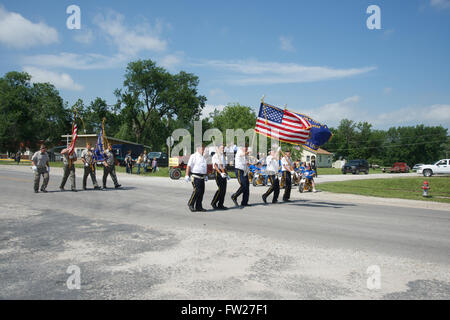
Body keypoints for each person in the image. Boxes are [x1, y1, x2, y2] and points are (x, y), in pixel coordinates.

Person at [185, 144, 207, 212]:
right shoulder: (193, 156)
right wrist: (186, 175)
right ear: (198, 149)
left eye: (204, 148)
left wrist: (206, 175)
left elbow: (204, 167)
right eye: (202, 148)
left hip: (202, 176)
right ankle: (191, 204)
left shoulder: (203, 157)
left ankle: (198, 206)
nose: (203, 150)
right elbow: (188, 166)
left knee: (201, 192)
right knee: (196, 191)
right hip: (195, 176)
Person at [231, 143, 250, 207]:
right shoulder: (239, 151)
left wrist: (248, 163)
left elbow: (247, 163)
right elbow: (242, 155)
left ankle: (244, 202)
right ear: (242, 147)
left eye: (247, 147)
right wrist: (247, 153)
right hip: (239, 170)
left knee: (247, 186)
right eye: (245, 147)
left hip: (245, 170)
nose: (246, 148)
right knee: (243, 185)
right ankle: (234, 196)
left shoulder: (245, 154)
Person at [211, 144, 228, 210]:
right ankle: (213, 202)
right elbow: (215, 165)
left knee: (224, 190)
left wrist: (227, 174)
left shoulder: (223, 156)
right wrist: (220, 173)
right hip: (218, 172)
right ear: (218, 149)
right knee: (220, 189)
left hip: (223, 172)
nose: (223, 149)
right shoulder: (215, 156)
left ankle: (220, 204)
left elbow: (224, 166)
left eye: (223, 148)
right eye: (221, 148)